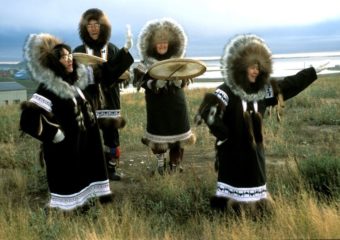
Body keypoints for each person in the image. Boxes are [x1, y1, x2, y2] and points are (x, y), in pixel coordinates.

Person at [194, 34, 328, 216]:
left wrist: (311, 73)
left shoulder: (263, 91)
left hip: (254, 151)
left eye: (258, 67)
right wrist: (224, 134)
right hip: (232, 152)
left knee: (255, 188)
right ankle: (231, 217)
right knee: (232, 192)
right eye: (251, 67)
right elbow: (207, 111)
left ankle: (256, 217)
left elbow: (287, 86)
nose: (255, 71)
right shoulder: (226, 90)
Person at [20, 33, 114, 212]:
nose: (69, 59)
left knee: (86, 180)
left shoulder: (75, 83)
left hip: (86, 144)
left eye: (69, 54)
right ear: (54, 62)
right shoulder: (49, 87)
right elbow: (28, 119)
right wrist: (55, 134)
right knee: (71, 184)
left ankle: (86, 208)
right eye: (63, 57)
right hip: (65, 149)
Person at [74, 8, 134, 181]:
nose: (93, 28)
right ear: (85, 28)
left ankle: (111, 169)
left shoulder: (113, 49)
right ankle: (90, 169)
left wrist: (124, 56)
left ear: (103, 27)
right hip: (87, 97)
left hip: (110, 97)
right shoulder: (79, 50)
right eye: (89, 25)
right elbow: (72, 75)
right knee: (87, 133)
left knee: (111, 135)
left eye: (96, 24)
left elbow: (125, 75)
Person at [133, 18, 196, 174]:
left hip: (176, 104)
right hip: (156, 106)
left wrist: (180, 81)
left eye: (165, 42)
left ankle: (175, 165)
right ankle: (160, 163)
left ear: (170, 43)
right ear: (152, 44)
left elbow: (189, 78)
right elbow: (137, 83)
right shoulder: (144, 63)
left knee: (178, 138)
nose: (162, 45)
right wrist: (154, 84)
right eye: (158, 42)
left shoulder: (178, 61)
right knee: (158, 136)